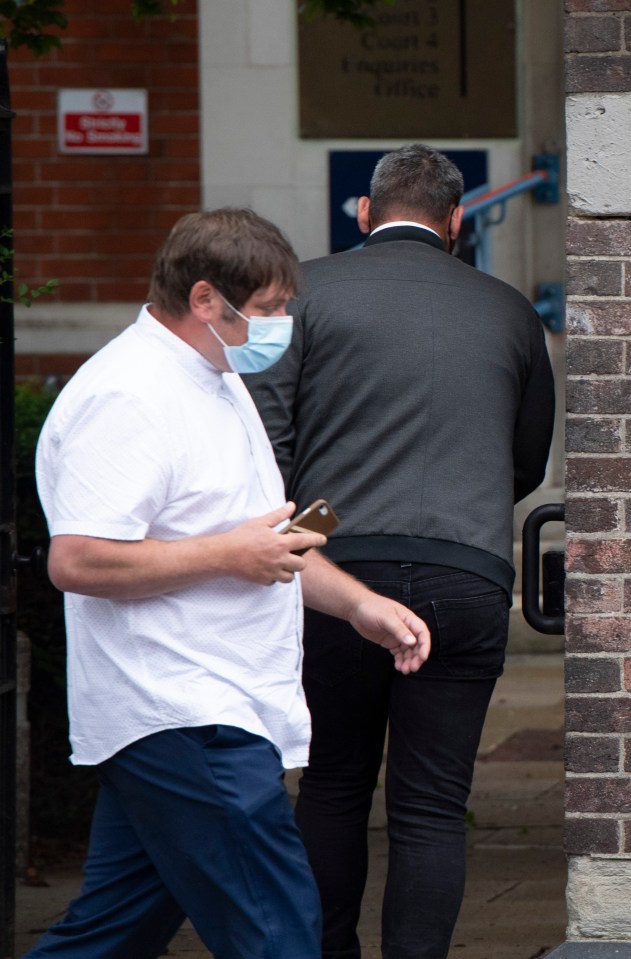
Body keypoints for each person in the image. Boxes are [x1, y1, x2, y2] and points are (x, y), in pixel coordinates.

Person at [27, 208, 431, 959]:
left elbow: (257, 536)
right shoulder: (129, 395)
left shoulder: (213, 378)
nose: (279, 323)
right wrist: (228, 556)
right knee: (278, 931)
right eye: (270, 308)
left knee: (110, 933)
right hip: (184, 707)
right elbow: (77, 560)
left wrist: (358, 604)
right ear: (206, 298)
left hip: (198, 706)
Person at [245, 145, 556, 959]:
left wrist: (327, 519)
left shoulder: (302, 295)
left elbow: (262, 449)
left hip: (332, 569)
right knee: (430, 805)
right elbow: (523, 462)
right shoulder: (508, 309)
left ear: (363, 212)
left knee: (335, 784)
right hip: (465, 572)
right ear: (456, 221)